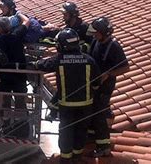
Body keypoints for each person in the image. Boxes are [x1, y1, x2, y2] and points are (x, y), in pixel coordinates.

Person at [32, 28, 101, 163]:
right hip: (86, 105)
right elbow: (96, 82)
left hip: (67, 106)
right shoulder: (89, 60)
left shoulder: (59, 59)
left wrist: (33, 63)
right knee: (81, 132)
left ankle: (65, 159)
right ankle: (77, 157)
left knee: (66, 132)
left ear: (62, 45)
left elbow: (42, 65)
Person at [86, 17, 130, 157]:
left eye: (96, 33)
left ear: (103, 32)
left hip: (105, 87)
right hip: (94, 84)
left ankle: (104, 146)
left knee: (100, 114)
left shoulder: (114, 46)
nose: (94, 35)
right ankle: (93, 139)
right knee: (92, 112)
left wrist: (108, 74)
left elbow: (125, 67)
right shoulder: (96, 42)